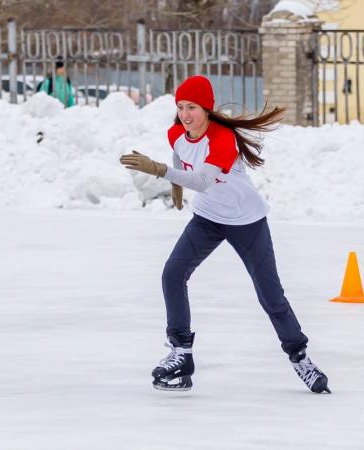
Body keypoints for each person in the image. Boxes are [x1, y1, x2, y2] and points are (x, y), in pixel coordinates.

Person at [120, 75, 330, 394]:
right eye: (180, 107)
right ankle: (181, 353)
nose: (185, 114)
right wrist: (177, 182)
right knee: (172, 274)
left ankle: (300, 357)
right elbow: (181, 155)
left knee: (270, 295)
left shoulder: (223, 138)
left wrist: (162, 171)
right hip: (207, 217)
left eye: (192, 107)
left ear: (207, 108)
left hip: (247, 220)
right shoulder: (176, 132)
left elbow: (203, 181)